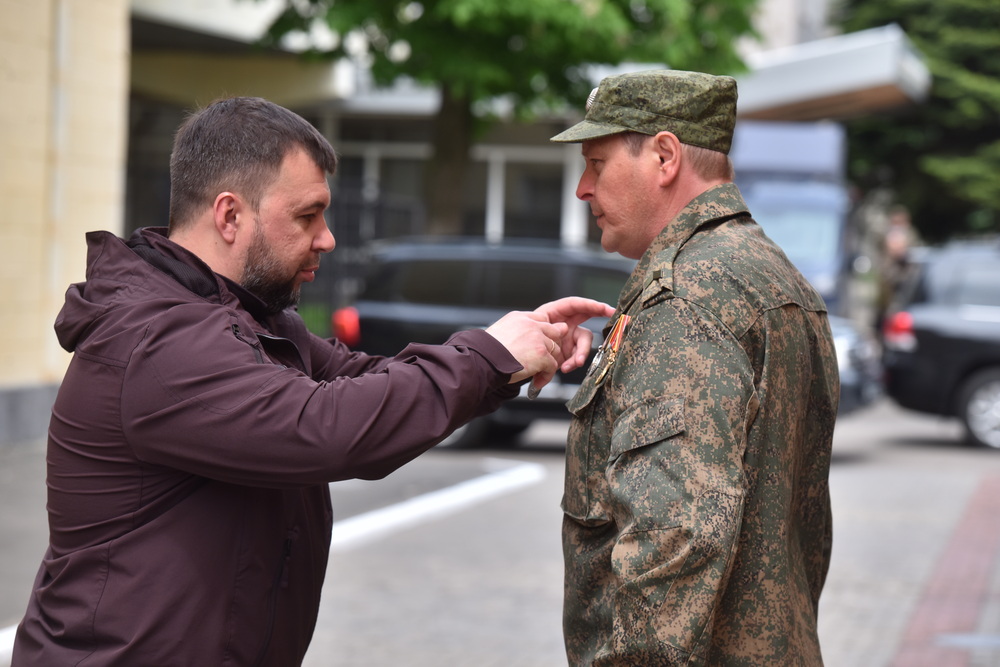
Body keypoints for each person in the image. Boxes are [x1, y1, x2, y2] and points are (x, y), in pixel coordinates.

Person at [12, 96, 613, 666]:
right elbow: (327, 428)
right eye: (307, 215)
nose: (327, 237)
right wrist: (486, 357)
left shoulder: (248, 320)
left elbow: (366, 379)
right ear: (229, 215)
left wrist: (507, 351)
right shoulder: (157, 342)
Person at [550, 70, 839, 664]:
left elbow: (675, 535)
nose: (583, 187)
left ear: (664, 155)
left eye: (597, 163)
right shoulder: (773, 275)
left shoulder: (686, 298)